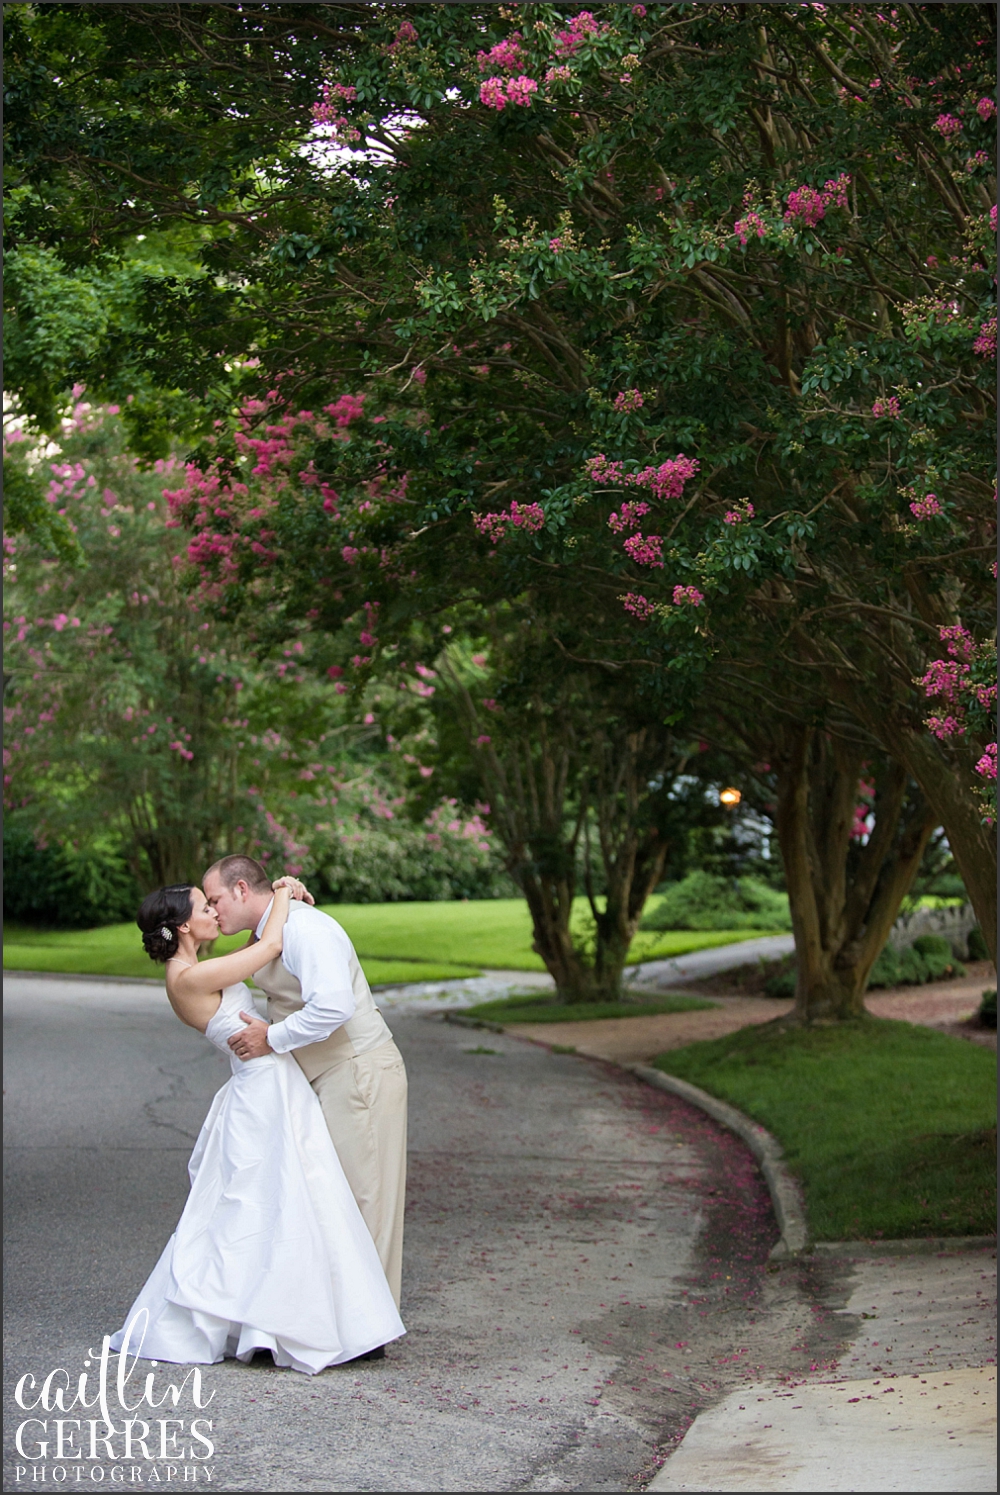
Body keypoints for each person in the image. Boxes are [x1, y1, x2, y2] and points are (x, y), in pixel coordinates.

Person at [110, 878, 404, 1374]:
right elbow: (268, 945)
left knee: (284, 1203)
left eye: (214, 901)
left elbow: (259, 950)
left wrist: (275, 903)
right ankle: (274, 1320)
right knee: (277, 1203)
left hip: (272, 1082)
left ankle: (279, 1318)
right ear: (184, 925)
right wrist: (283, 891)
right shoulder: (186, 978)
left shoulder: (194, 968)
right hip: (263, 1085)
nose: (214, 913)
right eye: (206, 907)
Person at [201, 855, 408, 1313]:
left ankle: (368, 1321)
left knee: (366, 1196)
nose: (214, 912)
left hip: (358, 1069)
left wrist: (270, 1038)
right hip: (326, 1076)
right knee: (333, 1195)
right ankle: (344, 1317)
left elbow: (333, 1006)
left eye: (215, 899)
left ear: (240, 889)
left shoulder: (304, 929)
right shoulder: (273, 928)